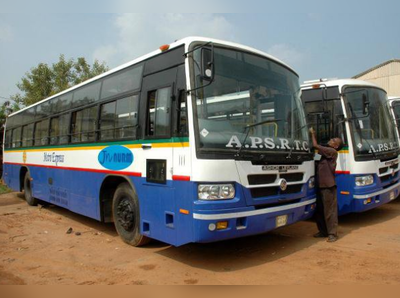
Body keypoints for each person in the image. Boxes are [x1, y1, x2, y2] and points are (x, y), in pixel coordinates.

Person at [309, 127, 344, 243]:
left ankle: (332, 233)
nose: (331, 139)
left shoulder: (332, 152)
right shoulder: (324, 153)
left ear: (335, 146)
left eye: (333, 140)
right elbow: (315, 159)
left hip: (328, 186)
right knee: (319, 210)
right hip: (320, 185)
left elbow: (315, 145)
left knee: (330, 211)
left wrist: (312, 133)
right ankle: (323, 231)